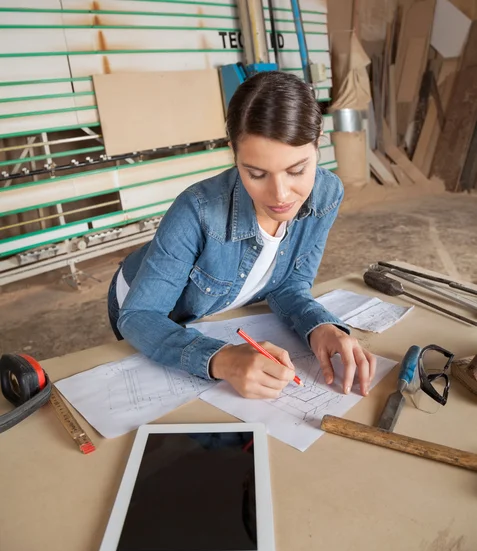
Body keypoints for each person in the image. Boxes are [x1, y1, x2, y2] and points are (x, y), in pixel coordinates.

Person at [107, 71, 376, 399]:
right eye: (257, 173)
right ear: (234, 151)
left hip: (217, 309)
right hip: (141, 301)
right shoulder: (197, 210)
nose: (280, 195)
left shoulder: (327, 193)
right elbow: (139, 316)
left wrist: (321, 326)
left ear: (318, 140)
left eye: (297, 171)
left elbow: (289, 284)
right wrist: (220, 359)